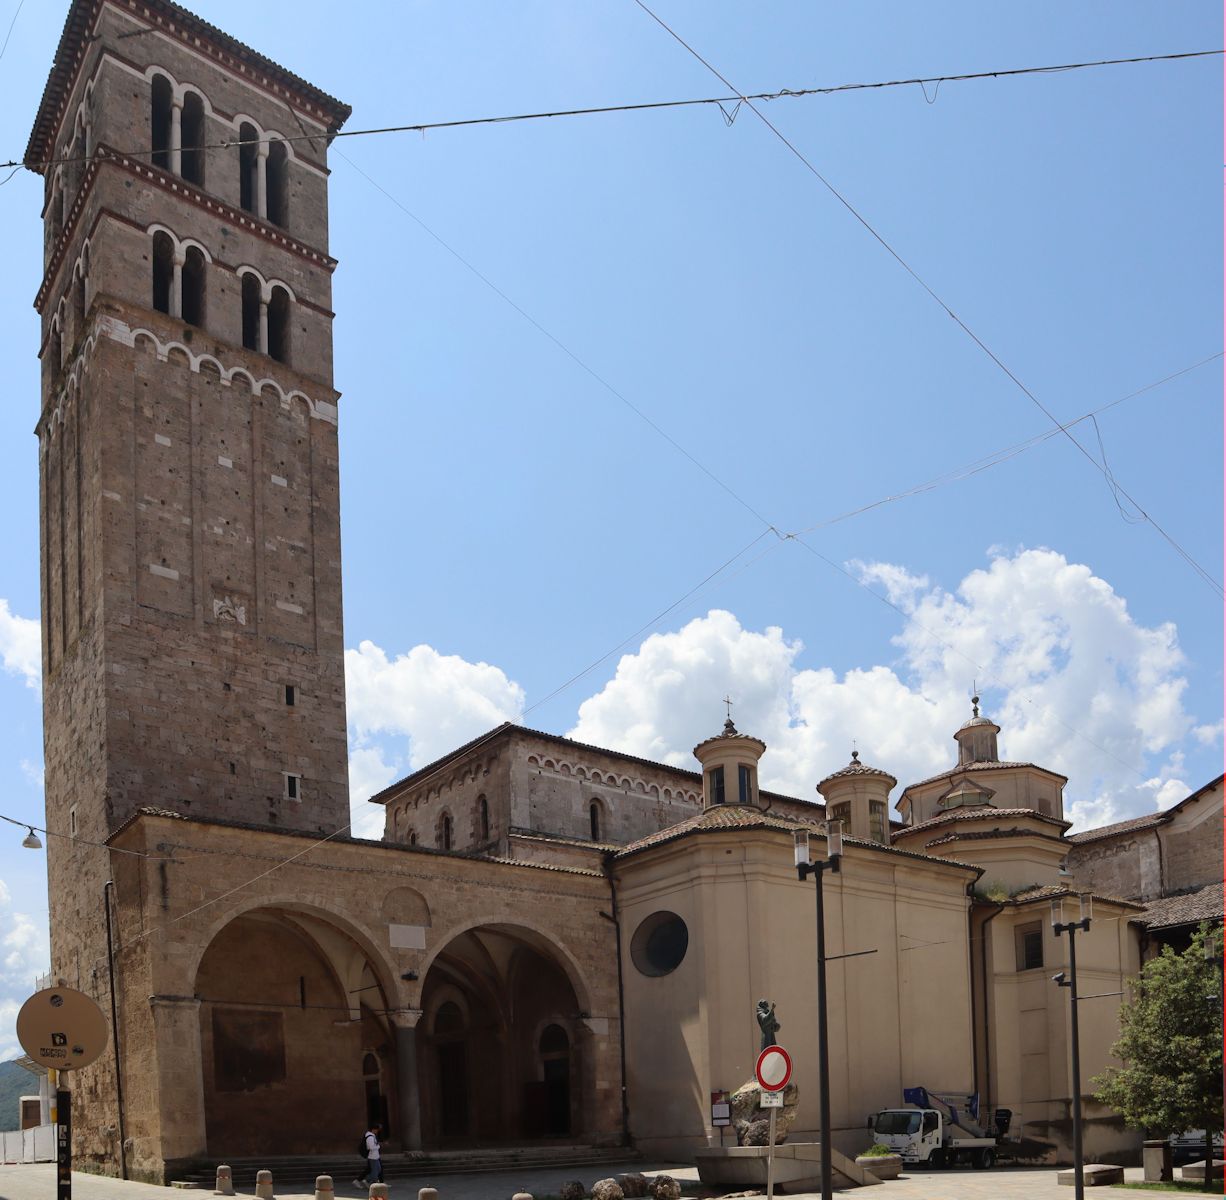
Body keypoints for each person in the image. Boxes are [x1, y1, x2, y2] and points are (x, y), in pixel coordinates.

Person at [354, 1122, 383, 1190]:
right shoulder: (369, 1137)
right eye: (376, 1130)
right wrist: (378, 1146)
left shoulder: (372, 1136)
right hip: (372, 1157)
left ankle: (367, 1181)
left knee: (378, 1169)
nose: (377, 1131)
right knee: (375, 1172)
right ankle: (367, 1181)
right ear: (373, 1129)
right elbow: (371, 1147)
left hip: (376, 1156)